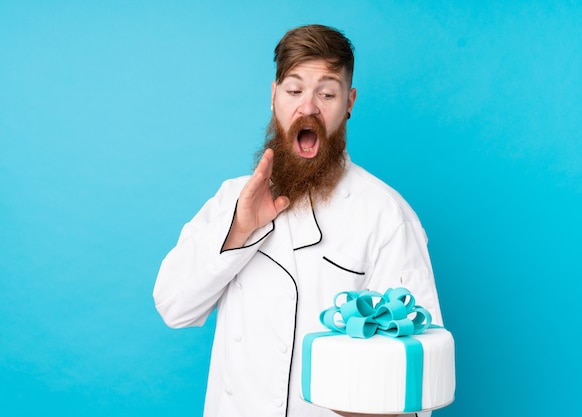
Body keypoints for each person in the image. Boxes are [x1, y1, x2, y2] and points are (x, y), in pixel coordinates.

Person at [154, 24, 443, 417]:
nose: (308, 107)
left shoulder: (385, 215)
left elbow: (416, 367)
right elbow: (174, 307)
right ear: (273, 97)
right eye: (294, 91)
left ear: (350, 103)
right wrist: (240, 228)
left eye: (327, 93)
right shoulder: (232, 199)